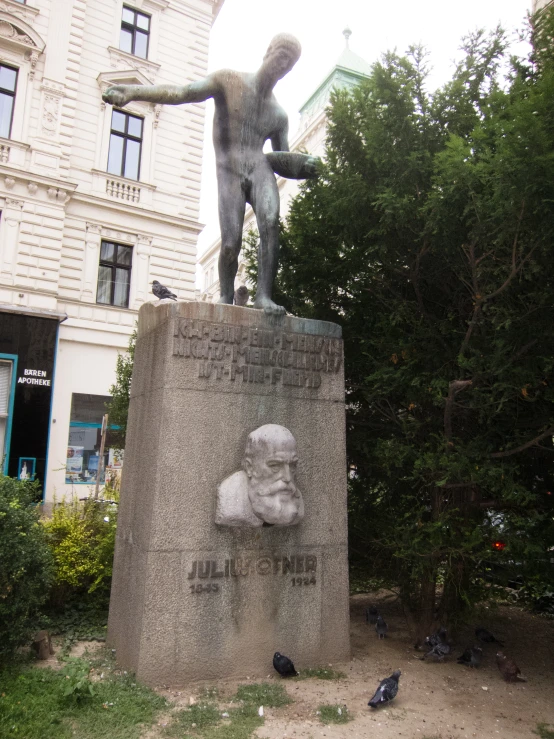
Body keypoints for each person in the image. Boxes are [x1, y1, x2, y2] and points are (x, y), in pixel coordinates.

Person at [102, 33, 320, 316]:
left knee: (270, 222)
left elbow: (281, 159)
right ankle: (226, 297)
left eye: (289, 64)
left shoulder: (278, 115)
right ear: (268, 52)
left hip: (260, 168)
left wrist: (304, 167)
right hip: (229, 170)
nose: (283, 66)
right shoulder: (229, 81)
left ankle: (264, 296)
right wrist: (135, 92)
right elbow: (183, 92)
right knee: (231, 244)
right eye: (282, 57)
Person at [215, 424, 304, 527]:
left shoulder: (294, 500)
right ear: (250, 467)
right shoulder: (231, 500)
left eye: (292, 465)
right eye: (275, 466)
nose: (288, 477)